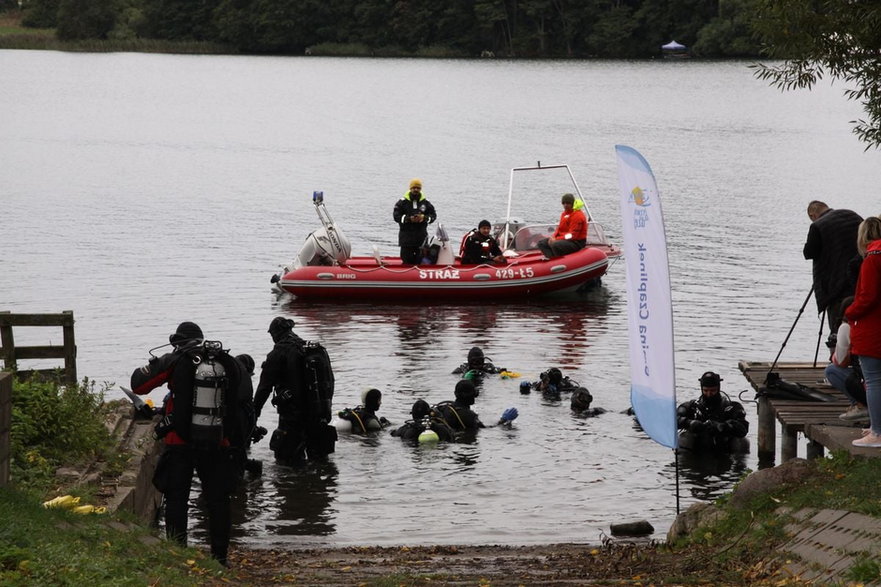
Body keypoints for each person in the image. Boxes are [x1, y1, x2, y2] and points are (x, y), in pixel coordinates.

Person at [130, 321, 248, 567]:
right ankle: (220, 558)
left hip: (179, 440)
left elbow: (138, 384)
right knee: (218, 500)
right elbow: (243, 399)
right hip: (217, 440)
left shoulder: (177, 359)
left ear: (177, 341)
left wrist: (160, 361)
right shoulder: (226, 361)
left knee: (176, 498)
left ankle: (178, 554)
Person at [254, 317, 337, 464]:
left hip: (292, 419)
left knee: (286, 465)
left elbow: (264, 388)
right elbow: (330, 381)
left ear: (275, 334)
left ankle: (293, 484)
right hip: (318, 414)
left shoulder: (278, 353)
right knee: (321, 463)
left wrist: (253, 415)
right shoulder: (314, 350)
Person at [846, 217, 881, 447]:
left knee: (874, 380)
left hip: (872, 330)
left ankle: (877, 432)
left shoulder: (871, 260)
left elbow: (867, 296)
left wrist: (850, 312)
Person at [803, 201, 863, 332]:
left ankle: (837, 347)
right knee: (859, 326)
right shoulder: (852, 215)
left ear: (813, 215)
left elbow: (809, 253)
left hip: (835, 287)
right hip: (860, 281)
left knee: (837, 329)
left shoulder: (817, 226)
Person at [676, 371, 749, 452]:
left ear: (718, 389)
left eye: (713, 390)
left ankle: (739, 463)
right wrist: (689, 423)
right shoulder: (692, 407)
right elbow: (672, 420)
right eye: (705, 390)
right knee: (683, 437)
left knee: (743, 441)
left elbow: (743, 429)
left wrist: (723, 426)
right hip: (697, 448)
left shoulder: (731, 407)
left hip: (723, 448)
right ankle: (684, 463)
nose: (709, 394)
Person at [822, 297, 868, 422]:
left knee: (831, 370)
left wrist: (835, 354)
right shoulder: (871, 324)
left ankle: (860, 405)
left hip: (868, 382)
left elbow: (841, 362)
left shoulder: (846, 326)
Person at [432, 380, 518, 433]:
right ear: (473, 395)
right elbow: (486, 429)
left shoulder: (445, 407)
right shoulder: (469, 415)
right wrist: (503, 420)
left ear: (455, 394)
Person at [393, 178, 437, 265]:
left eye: (418, 188)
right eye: (414, 188)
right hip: (406, 238)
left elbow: (433, 216)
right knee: (406, 260)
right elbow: (396, 216)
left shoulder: (426, 203)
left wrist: (424, 218)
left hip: (421, 238)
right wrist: (408, 219)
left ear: (420, 189)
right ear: (410, 188)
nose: (416, 190)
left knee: (420, 260)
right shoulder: (402, 202)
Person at [537, 193, 588, 259]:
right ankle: (552, 259)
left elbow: (572, 235)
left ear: (572, 203)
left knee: (555, 244)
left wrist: (556, 239)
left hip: (576, 242)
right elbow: (559, 228)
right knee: (541, 243)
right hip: (564, 239)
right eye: (563, 203)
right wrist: (553, 237)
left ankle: (559, 260)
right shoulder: (564, 214)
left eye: (568, 203)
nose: (565, 205)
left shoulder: (577, 216)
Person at [390, 399, 455, 442]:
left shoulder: (406, 428)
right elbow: (451, 435)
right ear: (430, 413)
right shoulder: (440, 428)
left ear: (413, 414)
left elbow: (393, 434)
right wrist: (440, 417)